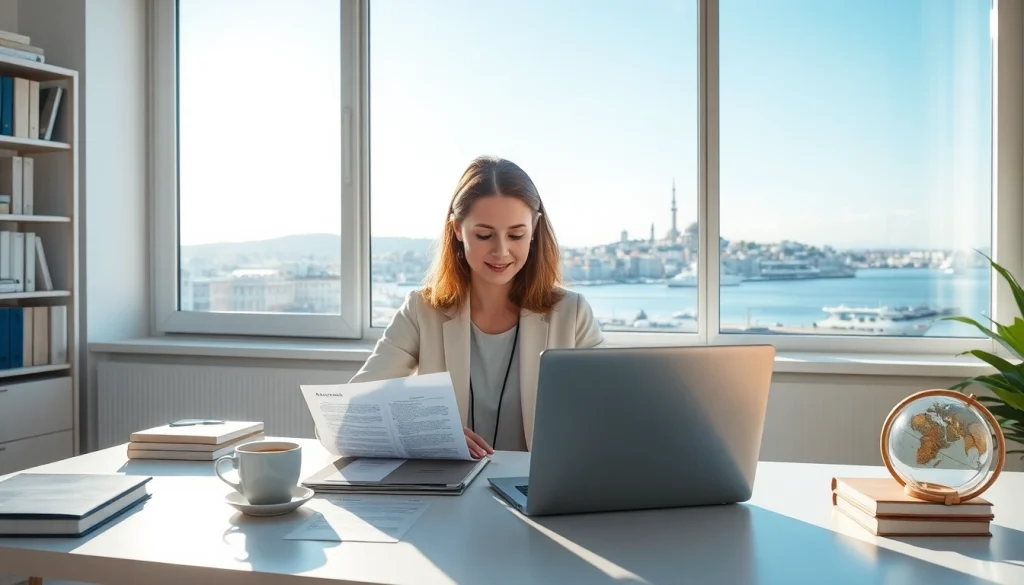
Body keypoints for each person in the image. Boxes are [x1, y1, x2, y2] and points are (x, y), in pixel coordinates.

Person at [351, 155, 605, 458]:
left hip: (538, 482)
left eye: (516, 235)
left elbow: (608, 418)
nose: (501, 251)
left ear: (535, 227)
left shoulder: (573, 313)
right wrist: (428, 432)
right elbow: (351, 416)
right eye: (484, 235)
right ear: (457, 229)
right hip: (449, 484)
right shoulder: (421, 310)